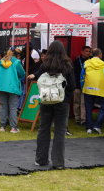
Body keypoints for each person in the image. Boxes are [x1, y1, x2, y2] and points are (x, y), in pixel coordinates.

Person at [27, 41, 75, 169]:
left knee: (44, 129)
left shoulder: (44, 65)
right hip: (62, 101)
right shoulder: (68, 65)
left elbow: (39, 80)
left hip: (46, 100)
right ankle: (58, 162)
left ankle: (40, 159)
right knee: (60, 131)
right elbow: (73, 86)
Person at [80, 48, 104, 134]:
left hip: (88, 88)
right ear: (100, 54)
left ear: (91, 54)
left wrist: (83, 88)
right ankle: (97, 126)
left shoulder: (86, 63)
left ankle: (89, 128)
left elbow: (82, 77)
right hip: (101, 89)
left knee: (88, 108)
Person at [0, 47, 25, 133]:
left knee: (3, 106)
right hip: (12, 86)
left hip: (2, 86)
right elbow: (22, 73)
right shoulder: (16, 62)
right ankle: (13, 128)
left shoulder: (2, 61)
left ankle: (2, 127)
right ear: (16, 55)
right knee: (13, 107)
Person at [73, 46, 91, 127]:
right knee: (77, 103)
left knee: (83, 103)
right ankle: (77, 119)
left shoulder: (90, 62)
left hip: (86, 86)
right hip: (77, 85)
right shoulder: (76, 62)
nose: (88, 53)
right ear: (82, 52)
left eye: (89, 51)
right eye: (86, 51)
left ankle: (83, 120)